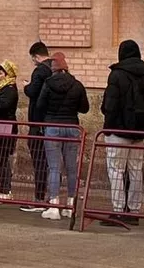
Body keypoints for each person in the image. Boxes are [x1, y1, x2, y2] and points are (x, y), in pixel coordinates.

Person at [100, 38, 144, 225]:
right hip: (139, 132)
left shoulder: (116, 76)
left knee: (116, 171)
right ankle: (134, 210)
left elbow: (110, 105)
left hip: (118, 131)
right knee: (136, 170)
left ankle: (119, 210)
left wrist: (108, 127)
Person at [36, 51, 88, 221]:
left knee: (54, 167)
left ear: (53, 68)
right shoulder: (77, 84)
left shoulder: (48, 83)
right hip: (72, 127)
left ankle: (54, 205)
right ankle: (71, 205)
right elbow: (85, 108)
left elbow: (40, 106)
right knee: (72, 168)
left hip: (52, 127)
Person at [22, 40, 53, 209]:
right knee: (52, 163)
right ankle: (51, 197)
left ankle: (39, 198)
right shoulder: (54, 70)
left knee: (39, 160)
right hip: (50, 122)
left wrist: (27, 86)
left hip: (38, 123)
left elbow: (33, 91)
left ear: (36, 56)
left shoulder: (40, 71)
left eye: (32, 59)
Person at [0, 59, 21, 201]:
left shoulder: (10, 89)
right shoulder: (1, 88)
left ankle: (6, 190)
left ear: (8, 74)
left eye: (1, 73)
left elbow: (3, 106)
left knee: (2, 159)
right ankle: (4, 189)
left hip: (5, 126)